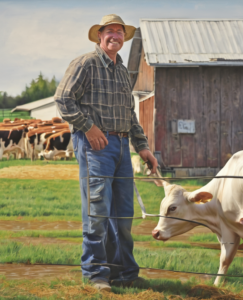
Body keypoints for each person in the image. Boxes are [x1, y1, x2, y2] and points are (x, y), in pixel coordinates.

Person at [54, 14, 158, 292]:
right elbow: (63, 99)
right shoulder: (86, 63)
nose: (115, 36)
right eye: (110, 31)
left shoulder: (123, 71)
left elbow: (130, 114)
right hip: (95, 147)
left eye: (120, 32)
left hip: (123, 147)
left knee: (123, 215)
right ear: (99, 36)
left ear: (124, 38)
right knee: (97, 212)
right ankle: (96, 274)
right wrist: (89, 128)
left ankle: (124, 273)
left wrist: (143, 147)